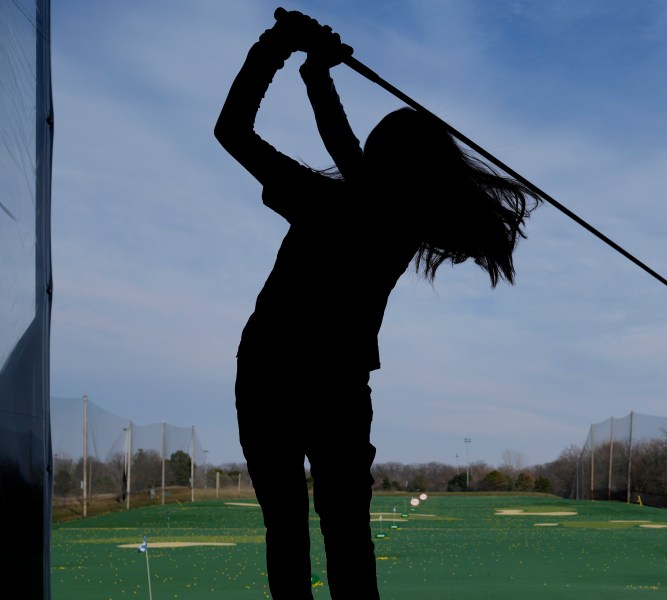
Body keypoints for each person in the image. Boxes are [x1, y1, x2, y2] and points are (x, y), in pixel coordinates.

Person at [214, 9, 541, 599]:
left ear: (380, 158)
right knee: (347, 535)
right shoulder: (402, 224)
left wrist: (277, 49)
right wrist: (315, 74)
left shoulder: (332, 202)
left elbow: (232, 131)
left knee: (286, 532)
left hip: (269, 372)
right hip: (339, 386)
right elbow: (351, 159)